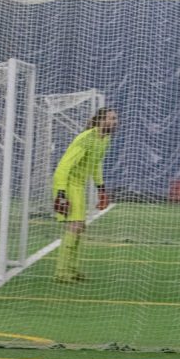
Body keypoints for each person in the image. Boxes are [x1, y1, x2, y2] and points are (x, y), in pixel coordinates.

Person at [51, 107, 117, 283]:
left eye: (115, 118)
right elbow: (63, 166)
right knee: (75, 226)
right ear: (101, 120)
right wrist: (61, 193)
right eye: (111, 118)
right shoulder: (86, 138)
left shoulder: (105, 139)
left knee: (79, 227)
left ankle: (72, 270)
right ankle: (61, 272)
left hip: (79, 185)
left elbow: (96, 165)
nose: (115, 122)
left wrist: (101, 188)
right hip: (68, 183)